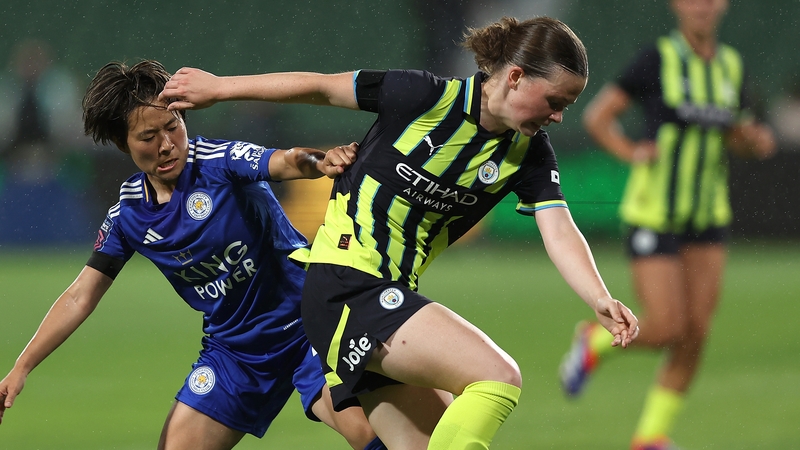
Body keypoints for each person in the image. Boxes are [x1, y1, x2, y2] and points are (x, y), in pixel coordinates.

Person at [159, 16, 640, 449]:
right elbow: (322, 87)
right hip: (346, 284)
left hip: (379, 300)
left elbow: (558, 227)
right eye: (555, 101)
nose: (558, 116)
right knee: (497, 377)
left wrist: (598, 296)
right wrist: (220, 87)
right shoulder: (422, 96)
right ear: (515, 77)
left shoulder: (529, 154)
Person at [0, 60, 386, 450]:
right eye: (148, 136)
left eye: (173, 127)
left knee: (369, 435)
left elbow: (286, 160)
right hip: (235, 353)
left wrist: (320, 162)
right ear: (123, 144)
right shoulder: (128, 215)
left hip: (312, 327)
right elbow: (80, 296)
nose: (166, 144)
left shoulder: (219, 161)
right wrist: (22, 368)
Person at [561, 1, 776, 449]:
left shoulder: (731, 66)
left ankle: (650, 436)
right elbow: (599, 117)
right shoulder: (657, 58)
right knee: (666, 327)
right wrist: (631, 152)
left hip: (707, 215)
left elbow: (735, 135)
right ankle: (592, 342)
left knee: (696, 333)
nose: (702, 8)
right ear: (677, 5)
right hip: (654, 213)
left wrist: (752, 143)